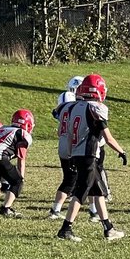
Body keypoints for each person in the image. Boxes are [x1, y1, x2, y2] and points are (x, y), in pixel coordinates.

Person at [55, 75, 126, 242]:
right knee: (81, 192)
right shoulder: (96, 109)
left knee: (97, 191)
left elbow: (69, 134)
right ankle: (65, 229)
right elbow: (107, 138)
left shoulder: (71, 107)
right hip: (89, 155)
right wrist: (122, 151)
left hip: (77, 154)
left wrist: (71, 155)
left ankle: (109, 229)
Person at [0, 109, 34, 217]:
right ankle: (6, 209)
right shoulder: (22, 134)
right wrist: (20, 178)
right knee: (16, 182)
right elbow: (21, 158)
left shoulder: (3, 128)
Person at [47, 82, 80, 220]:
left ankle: (56, 209)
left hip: (62, 145)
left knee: (69, 178)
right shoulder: (76, 108)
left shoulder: (61, 112)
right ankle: (94, 210)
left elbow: (60, 131)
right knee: (77, 179)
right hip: (72, 144)